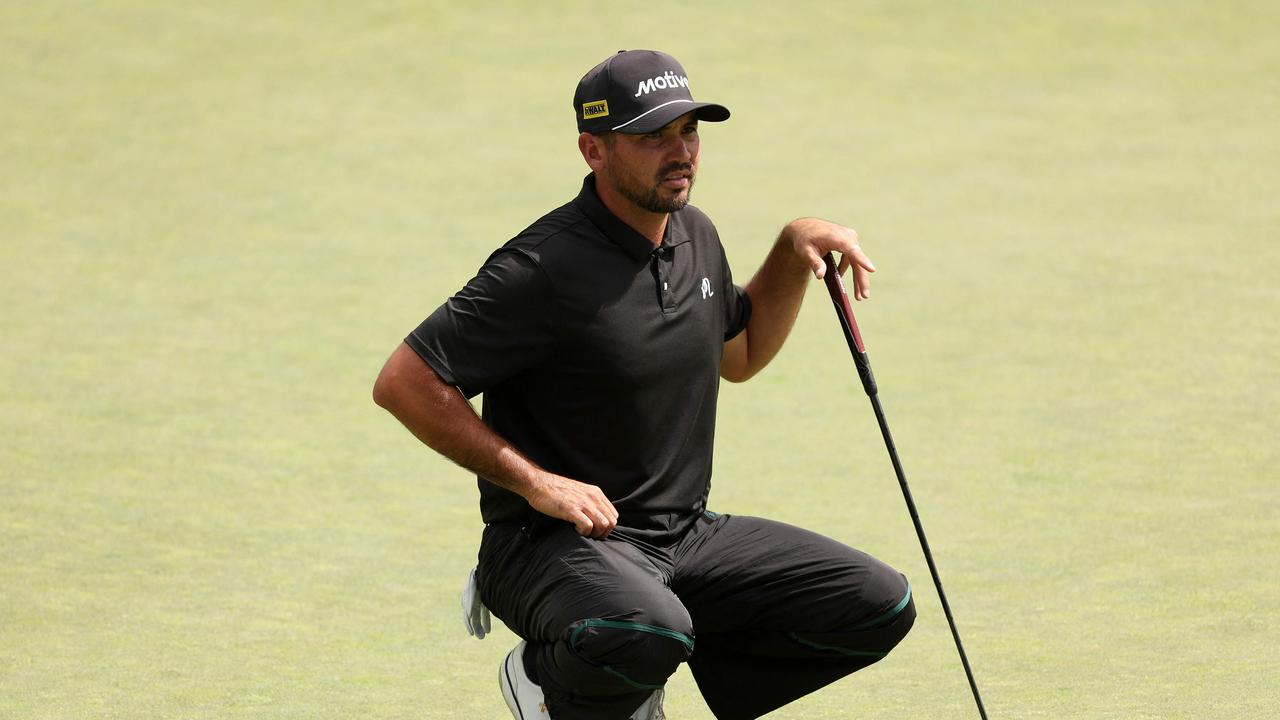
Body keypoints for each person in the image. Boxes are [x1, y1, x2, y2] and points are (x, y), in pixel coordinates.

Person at [373, 49, 915, 720]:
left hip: (682, 539)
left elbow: (739, 353)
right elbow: (404, 379)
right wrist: (537, 484)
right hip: (547, 546)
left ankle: (625, 680)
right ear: (593, 150)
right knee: (644, 628)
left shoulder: (696, 236)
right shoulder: (543, 265)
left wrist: (792, 246)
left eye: (688, 130)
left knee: (875, 601)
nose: (680, 150)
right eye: (652, 135)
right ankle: (552, 678)